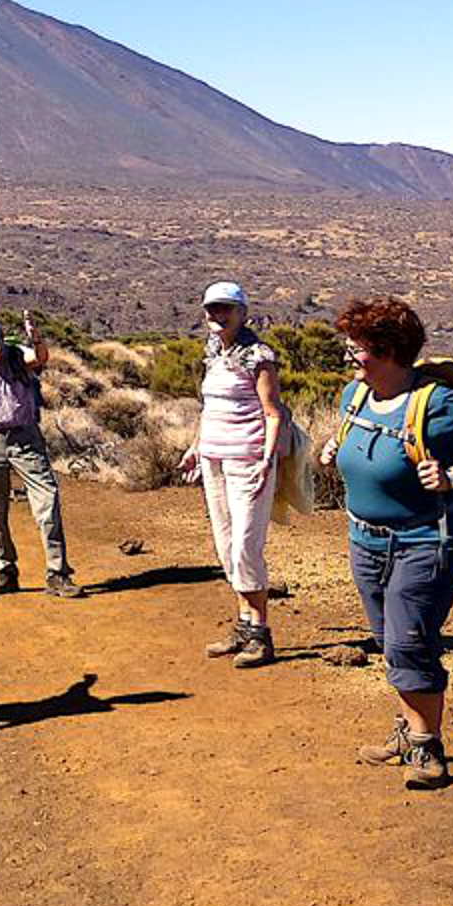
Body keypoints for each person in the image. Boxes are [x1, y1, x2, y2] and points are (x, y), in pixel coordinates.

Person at [320, 296, 453, 789]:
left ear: (387, 351)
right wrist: (336, 449)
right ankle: (408, 729)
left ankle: (427, 745)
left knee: (409, 641)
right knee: (389, 640)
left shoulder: (442, 406)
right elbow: (359, 444)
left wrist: (450, 477)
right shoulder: (354, 397)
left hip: (428, 540)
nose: (348, 356)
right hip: (365, 538)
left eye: (356, 348)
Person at [178, 282, 286, 667]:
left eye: (225, 309)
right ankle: (244, 626)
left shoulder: (258, 356)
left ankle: (261, 633)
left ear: (242, 313)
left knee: (245, 544)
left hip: (248, 460)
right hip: (214, 459)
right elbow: (208, 409)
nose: (216, 316)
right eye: (211, 309)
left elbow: (273, 413)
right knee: (225, 545)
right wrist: (196, 446)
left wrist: (266, 459)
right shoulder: (212, 352)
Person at [0, 313, 85, 599]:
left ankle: (57, 573)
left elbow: (41, 358)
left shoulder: (17, 355)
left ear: (1, 341)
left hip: (26, 438)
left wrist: (35, 334)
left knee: (47, 502)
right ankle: (4, 570)